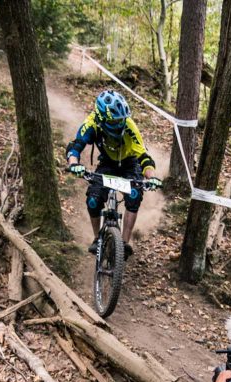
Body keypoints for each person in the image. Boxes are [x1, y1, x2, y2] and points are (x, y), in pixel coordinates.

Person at [65, 89, 162, 259]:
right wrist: (74, 164)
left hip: (130, 163)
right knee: (93, 200)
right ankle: (97, 239)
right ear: (102, 118)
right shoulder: (92, 123)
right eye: (115, 121)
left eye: (121, 120)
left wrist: (151, 177)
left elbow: (144, 157)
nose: (119, 124)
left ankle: (124, 243)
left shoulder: (129, 125)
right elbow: (76, 146)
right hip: (108, 163)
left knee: (134, 195)